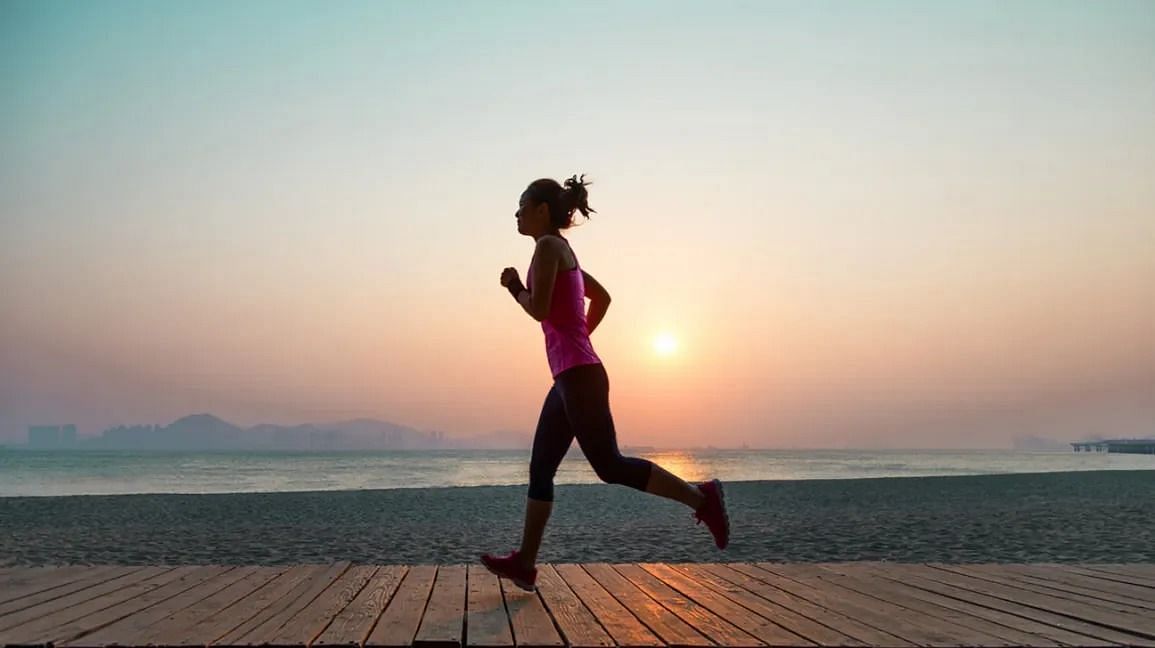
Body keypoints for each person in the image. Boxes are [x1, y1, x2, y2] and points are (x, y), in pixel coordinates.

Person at [481, 174, 730, 592]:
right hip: (570, 377)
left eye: (522, 204)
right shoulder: (565, 252)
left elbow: (539, 309)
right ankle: (524, 563)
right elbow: (603, 298)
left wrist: (514, 289)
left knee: (609, 465)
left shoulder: (546, 247)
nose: (517, 213)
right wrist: (578, 339)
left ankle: (704, 499)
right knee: (541, 469)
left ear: (543, 210)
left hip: (579, 377)